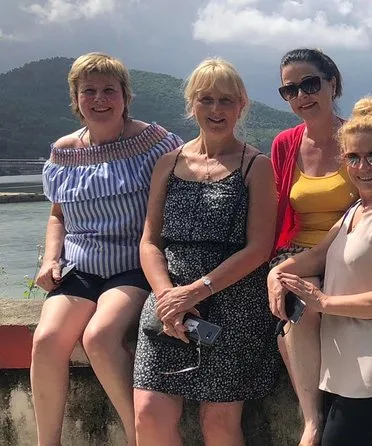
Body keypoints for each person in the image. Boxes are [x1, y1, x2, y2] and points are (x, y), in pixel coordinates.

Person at [270, 48, 372, 445]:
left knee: (311, 310)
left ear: (332, 84)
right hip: (308, 252)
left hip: (355, 253)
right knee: (298, 314)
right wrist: (275, 270)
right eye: (290, 89)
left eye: (310, 84)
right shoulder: (285, 144)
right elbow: (277, 209)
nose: (301, 95)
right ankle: (311, 419)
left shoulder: (359, 136)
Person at [32, 52, 183, 445]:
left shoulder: (154, 142)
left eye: (108, 90)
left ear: (125, 96)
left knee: (99, 337)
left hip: (132, 265)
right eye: (89, 91)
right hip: (80, 266)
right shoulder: (64, 151)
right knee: (46, 341)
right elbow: (58, 215)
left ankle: (139, 437)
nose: (99, 99)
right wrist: (50, 259)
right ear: (76, 98)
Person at [132, 57, 279, 446]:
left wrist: (197, 291)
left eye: (226, 100)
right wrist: (167, 296)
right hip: (169, 299)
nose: (216, 109)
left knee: (217, 421)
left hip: (233, 301)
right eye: (207, 99)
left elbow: (259, 247)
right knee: (148, 412)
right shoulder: (168, 164)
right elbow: (150, 241)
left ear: (241, 106)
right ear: (192, 104)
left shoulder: (255, 166)